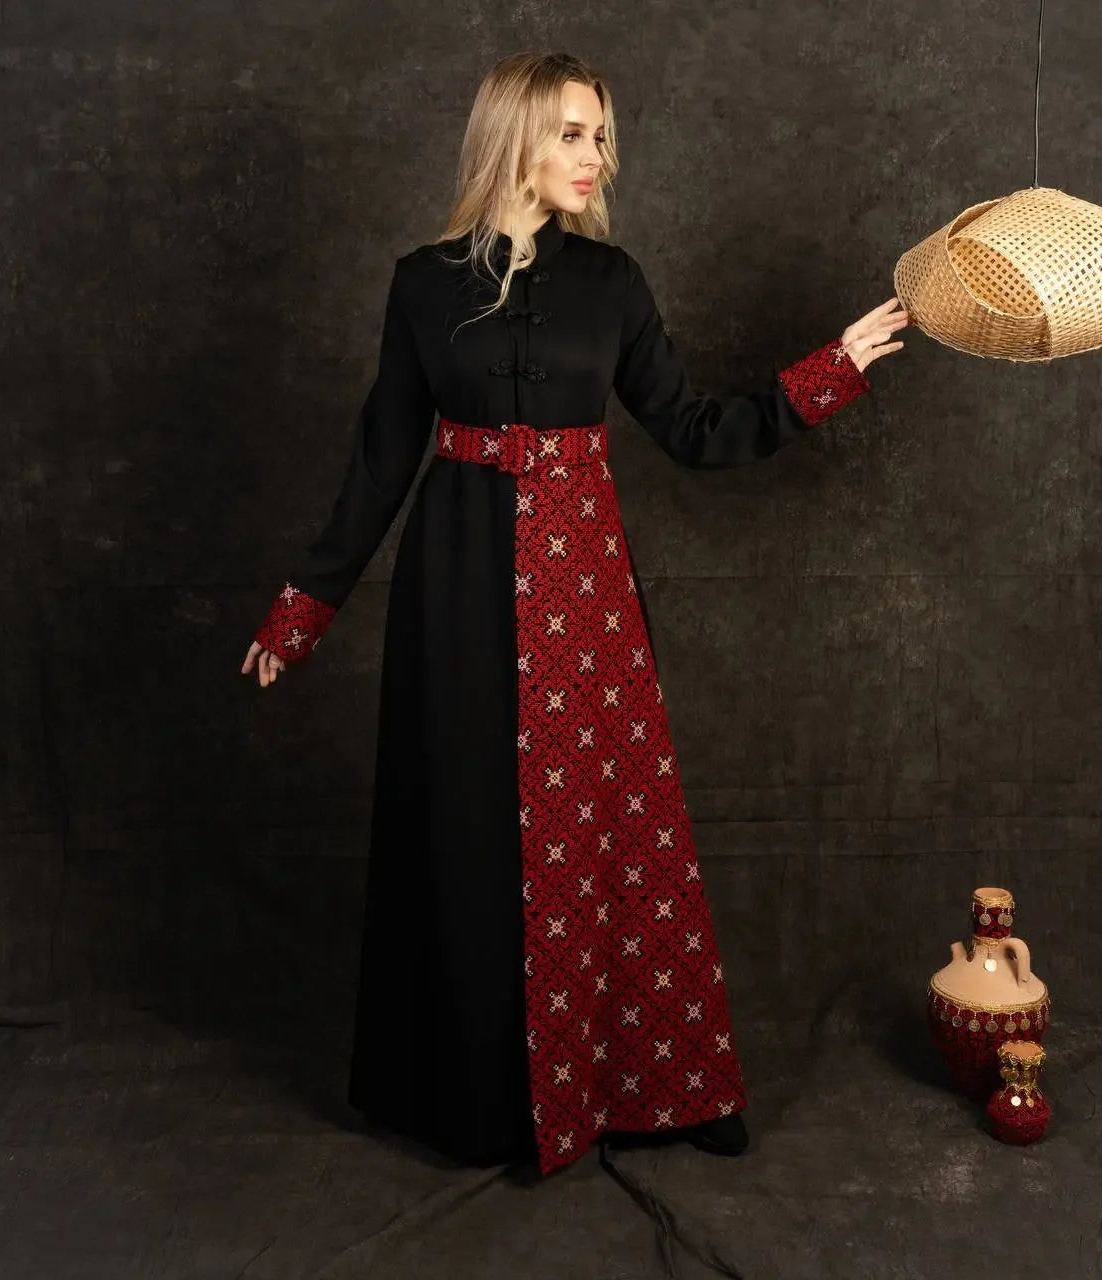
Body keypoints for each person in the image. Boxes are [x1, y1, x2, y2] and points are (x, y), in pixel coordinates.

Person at [241, 51, 907, 1177]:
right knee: (466, 827)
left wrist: (829, 369)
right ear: (513, 136)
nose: (595, 157)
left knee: (616, 829)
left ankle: (659, 1087)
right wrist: (301, 609)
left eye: (599, 135)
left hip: (583, 597)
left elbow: (693, 429)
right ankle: (475, 1102)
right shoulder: (421, 284)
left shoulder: (612, 283)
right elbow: (381, 460)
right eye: (571, 133)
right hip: (454, 587)